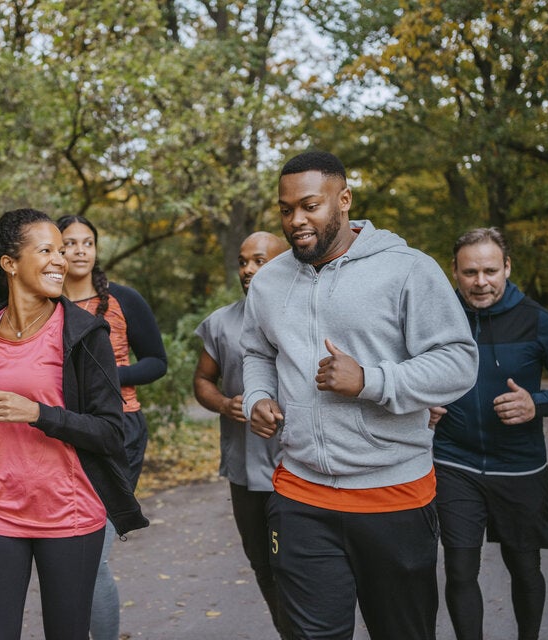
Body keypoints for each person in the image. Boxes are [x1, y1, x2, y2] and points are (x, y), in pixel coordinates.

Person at [240, 150, 479, 640]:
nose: (296, 220)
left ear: (344, 199)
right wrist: (257, 397)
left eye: (310, 206)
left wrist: (372, 380)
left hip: (393, 496)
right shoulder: (269, 282)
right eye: (286, 210)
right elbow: (257, 352)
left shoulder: (408, 270)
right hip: (300, 495)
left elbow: (458, 361)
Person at [0, 208, 148, 640]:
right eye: (47, 250)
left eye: (62, 251)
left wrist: (38, 413)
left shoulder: (85, 333)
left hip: (69, 513)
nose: (60, 260)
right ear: (10, 264)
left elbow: (111, 431)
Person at [430, 227, 548, 640]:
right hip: (454, 463)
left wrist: (536, 404)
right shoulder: (438, 319)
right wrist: (420, 403)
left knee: (524, 567)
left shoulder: (536, 320)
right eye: (470, 272)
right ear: (454, 271)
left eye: (490, 270)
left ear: (507, 267)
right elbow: (411, 371)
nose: (480, 282)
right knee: (459, 569)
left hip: (519, 467)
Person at [55, 214, 168, 640]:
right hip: (61, 433)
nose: (80, 250)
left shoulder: (123, 300)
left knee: (92, 557)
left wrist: (105, 377)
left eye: (87, 242)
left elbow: (156, 362)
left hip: (119, 431)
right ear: (56, 251)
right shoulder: (44, 303)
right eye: (70, 243)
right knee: (67, 552)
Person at [193, 231, 293, 639]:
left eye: (259, 261)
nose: (248, 269)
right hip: (245, 472)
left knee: (296, 567)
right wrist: (223, 404)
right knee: (263, 566)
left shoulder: (306, 316)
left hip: (299, 469)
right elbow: (202, 380)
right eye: (243, 261)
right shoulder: (221, 323)